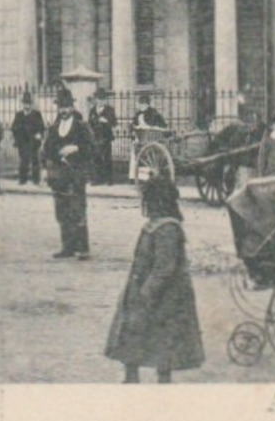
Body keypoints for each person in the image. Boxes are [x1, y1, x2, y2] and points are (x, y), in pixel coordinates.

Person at [104, 173, 205, 383]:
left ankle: (160, 382)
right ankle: (131, 378)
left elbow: (164, 269)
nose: (146, 206)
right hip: (144, 290)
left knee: (162, 342)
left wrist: (145, 294)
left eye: (148, 201)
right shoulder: (156, 225)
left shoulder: (167, 229)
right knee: (133, 335)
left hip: (164, 298)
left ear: (158, 201)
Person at [41, 86, 96, 260]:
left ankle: (83, 248)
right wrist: (57, 154)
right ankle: (68, 247)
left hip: (76, 174)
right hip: (59, 176)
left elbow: (92, 148)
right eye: (61, 107)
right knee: (62, 211)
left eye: (66, 107)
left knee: (77, 209)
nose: (63, 110)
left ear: (72, 107)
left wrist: (75, 148)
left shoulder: (81, 126)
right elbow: (47, 149)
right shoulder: (55, 126)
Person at [11, 91, 46, 187]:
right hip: (22, 142)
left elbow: (41, 127)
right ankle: (23, 179)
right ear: (23, 104)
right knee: (23, 160)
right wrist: (17, 137)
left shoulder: (37, 114)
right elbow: (14, 127)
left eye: (29, 103)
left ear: (31, 104)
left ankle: (36, 179)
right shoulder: (19, 115)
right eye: (25, 103)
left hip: (33, 141)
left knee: (35, 160)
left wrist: (39, 134)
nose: (27, 106)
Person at [88, 88, 118, 185]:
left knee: (107, 158)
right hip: (95, 137)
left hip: (106, 137)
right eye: (99, 99)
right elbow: (89, 123)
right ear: (96, 100)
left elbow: (114, 123)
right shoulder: (92, 110)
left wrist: (107, 121)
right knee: (96, 158)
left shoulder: (110, 110)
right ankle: (97, 179)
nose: (101, 101)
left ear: (106, 100)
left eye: (103, 99)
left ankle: (109, 180)